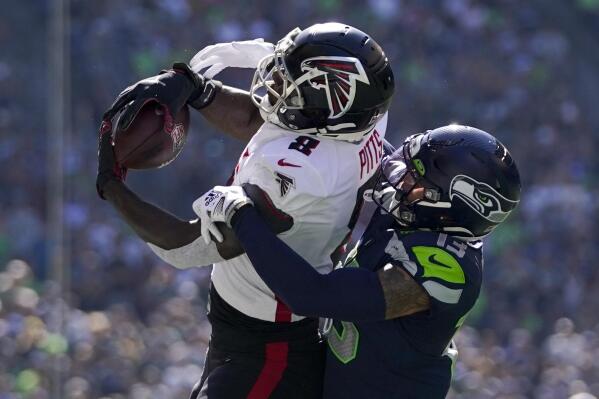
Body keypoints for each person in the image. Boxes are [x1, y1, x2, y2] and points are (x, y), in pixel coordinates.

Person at [97, 22, 395, 398]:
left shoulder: (302, 175)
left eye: (291, 87)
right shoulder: (359, 118)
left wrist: (111, 184)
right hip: (253, 327)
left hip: (269, 344)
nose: (275, 90)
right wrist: (200, 89)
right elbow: (262, 123)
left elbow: (184, 246)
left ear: (329, 103)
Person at [196, 125, 522, 398]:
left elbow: (311, 295)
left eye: (416, 180)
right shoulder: (421, 217)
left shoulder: (444, 269)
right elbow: (367, 143)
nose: (400, 178)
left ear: (457, 206)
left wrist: (240, 215)